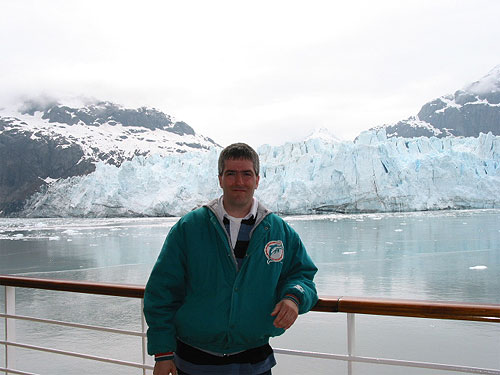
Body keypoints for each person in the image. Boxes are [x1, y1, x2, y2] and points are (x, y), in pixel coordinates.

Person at [144, 143, 318, 375]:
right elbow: (161, 291)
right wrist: (163, 352)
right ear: (220, 179)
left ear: (257, 179)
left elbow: (303, 276)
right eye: (231, 174)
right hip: (193, 361)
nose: (239, 181)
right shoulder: (190, 228)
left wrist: (294, 297)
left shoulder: (279, 231)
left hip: (254, 361)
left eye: (247, 174)